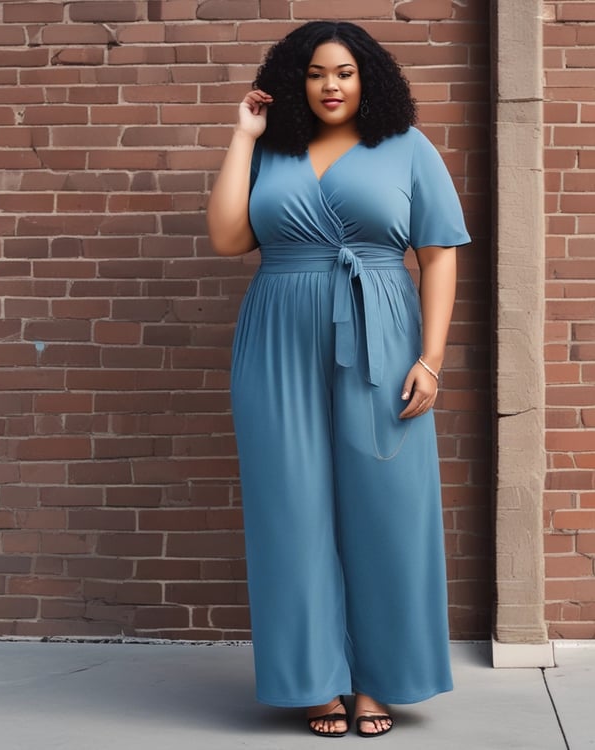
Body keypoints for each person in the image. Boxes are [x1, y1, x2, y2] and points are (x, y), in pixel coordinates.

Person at [206, 20, 470, 738]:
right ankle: (316, 681)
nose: (331, 86)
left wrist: (432, 360)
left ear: (368, 79)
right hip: (277, 339)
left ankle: (378, 681)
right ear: (298, 79)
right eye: (318, 72)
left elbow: (439, 254)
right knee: (289, 507)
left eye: (346, 72)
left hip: (383, 337)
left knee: (387, 505)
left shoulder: (407, 148)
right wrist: (243, 136)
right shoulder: (273, 151)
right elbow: (229, 238)